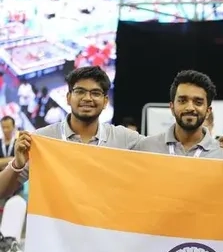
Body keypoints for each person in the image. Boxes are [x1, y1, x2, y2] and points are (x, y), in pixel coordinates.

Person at [0, 66, 144, 199]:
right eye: (80, 91)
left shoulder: (123, 138)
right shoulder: (42, 139)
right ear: (68, 98)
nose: (87, 98)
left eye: (95, 93)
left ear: (105, 101)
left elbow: (157, 158)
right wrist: (17, 165)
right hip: (52, 219)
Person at [133, 70, 223, 165]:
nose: (190, 107)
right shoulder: (147, 148)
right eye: (182, 101)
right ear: (172, 107)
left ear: (208, 111)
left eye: (198, 102)